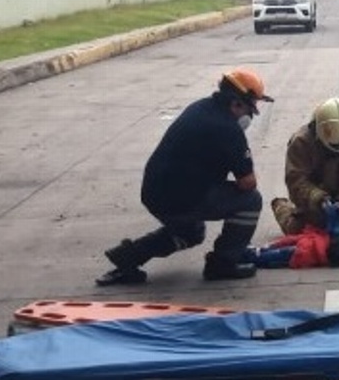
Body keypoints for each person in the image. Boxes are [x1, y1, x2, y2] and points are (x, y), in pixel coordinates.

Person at [97, 68, 271, 285]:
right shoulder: (227, 129)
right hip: (183, 197)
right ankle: (223, 264)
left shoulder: (200, 107)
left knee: (191, 233)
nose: (250, 115)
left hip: (154, 194)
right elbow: (247, 183)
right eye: (250, 108)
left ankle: (128, 256)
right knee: (251, 200)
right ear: (236, 103)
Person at [271, 97, 339, 235]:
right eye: (334, 148)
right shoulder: (301, 143)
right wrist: (319, 199)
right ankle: (281, 206)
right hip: (314, 196)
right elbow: (296, 181)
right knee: (298, 230)